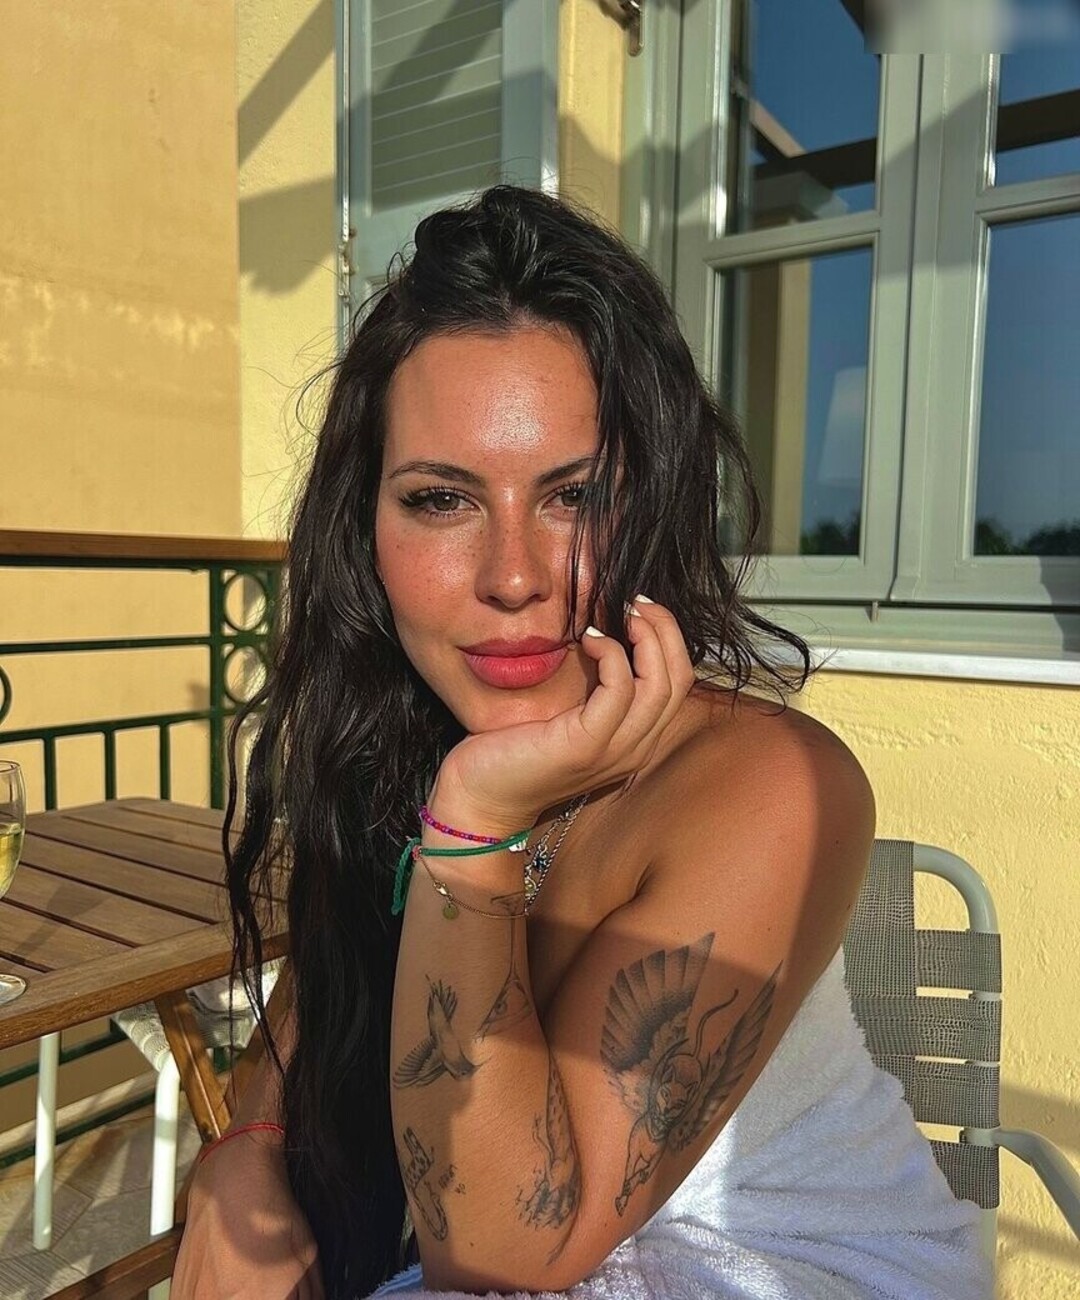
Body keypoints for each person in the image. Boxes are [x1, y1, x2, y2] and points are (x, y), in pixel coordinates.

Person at [172, 185, 989, 1300]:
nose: (513, 576)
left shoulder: (773, 784)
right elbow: (326, 987)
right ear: (364, 528)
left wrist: (477, 824)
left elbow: (505, 1247)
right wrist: (243, 1155)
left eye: (575, 496)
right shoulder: (401, 740)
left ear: (651, 502)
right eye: (442, 500)